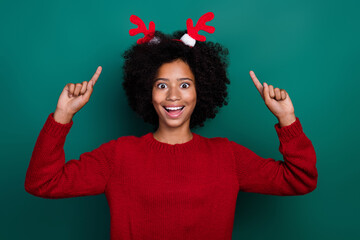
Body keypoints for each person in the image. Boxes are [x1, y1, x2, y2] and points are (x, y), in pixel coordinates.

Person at [24, 12, 318, 240]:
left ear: (200, 90)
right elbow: (42, 182)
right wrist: (62, 115)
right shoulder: (119, 155)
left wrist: (287, 120)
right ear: (147, 92)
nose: (173, 95)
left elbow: (300, 179)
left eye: (185, 85)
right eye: (161, 85)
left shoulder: (228, 156)